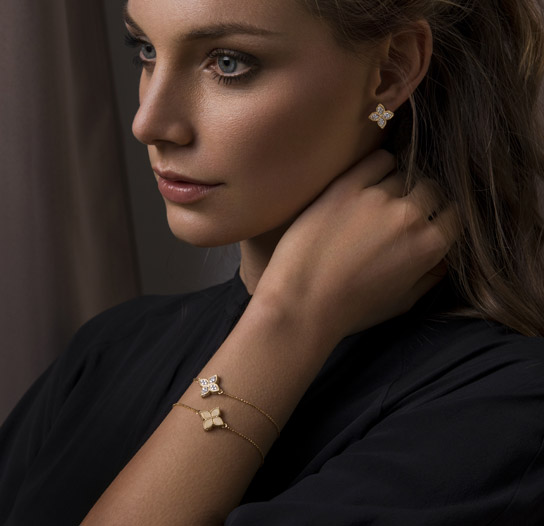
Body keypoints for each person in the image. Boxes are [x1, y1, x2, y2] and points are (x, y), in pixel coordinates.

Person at [1, 0, 544, 524]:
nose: (149, 122)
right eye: (146, 50)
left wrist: (290, 317)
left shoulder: (504, 410)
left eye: (227, 63)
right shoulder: (108, 351)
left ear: (391, 72)